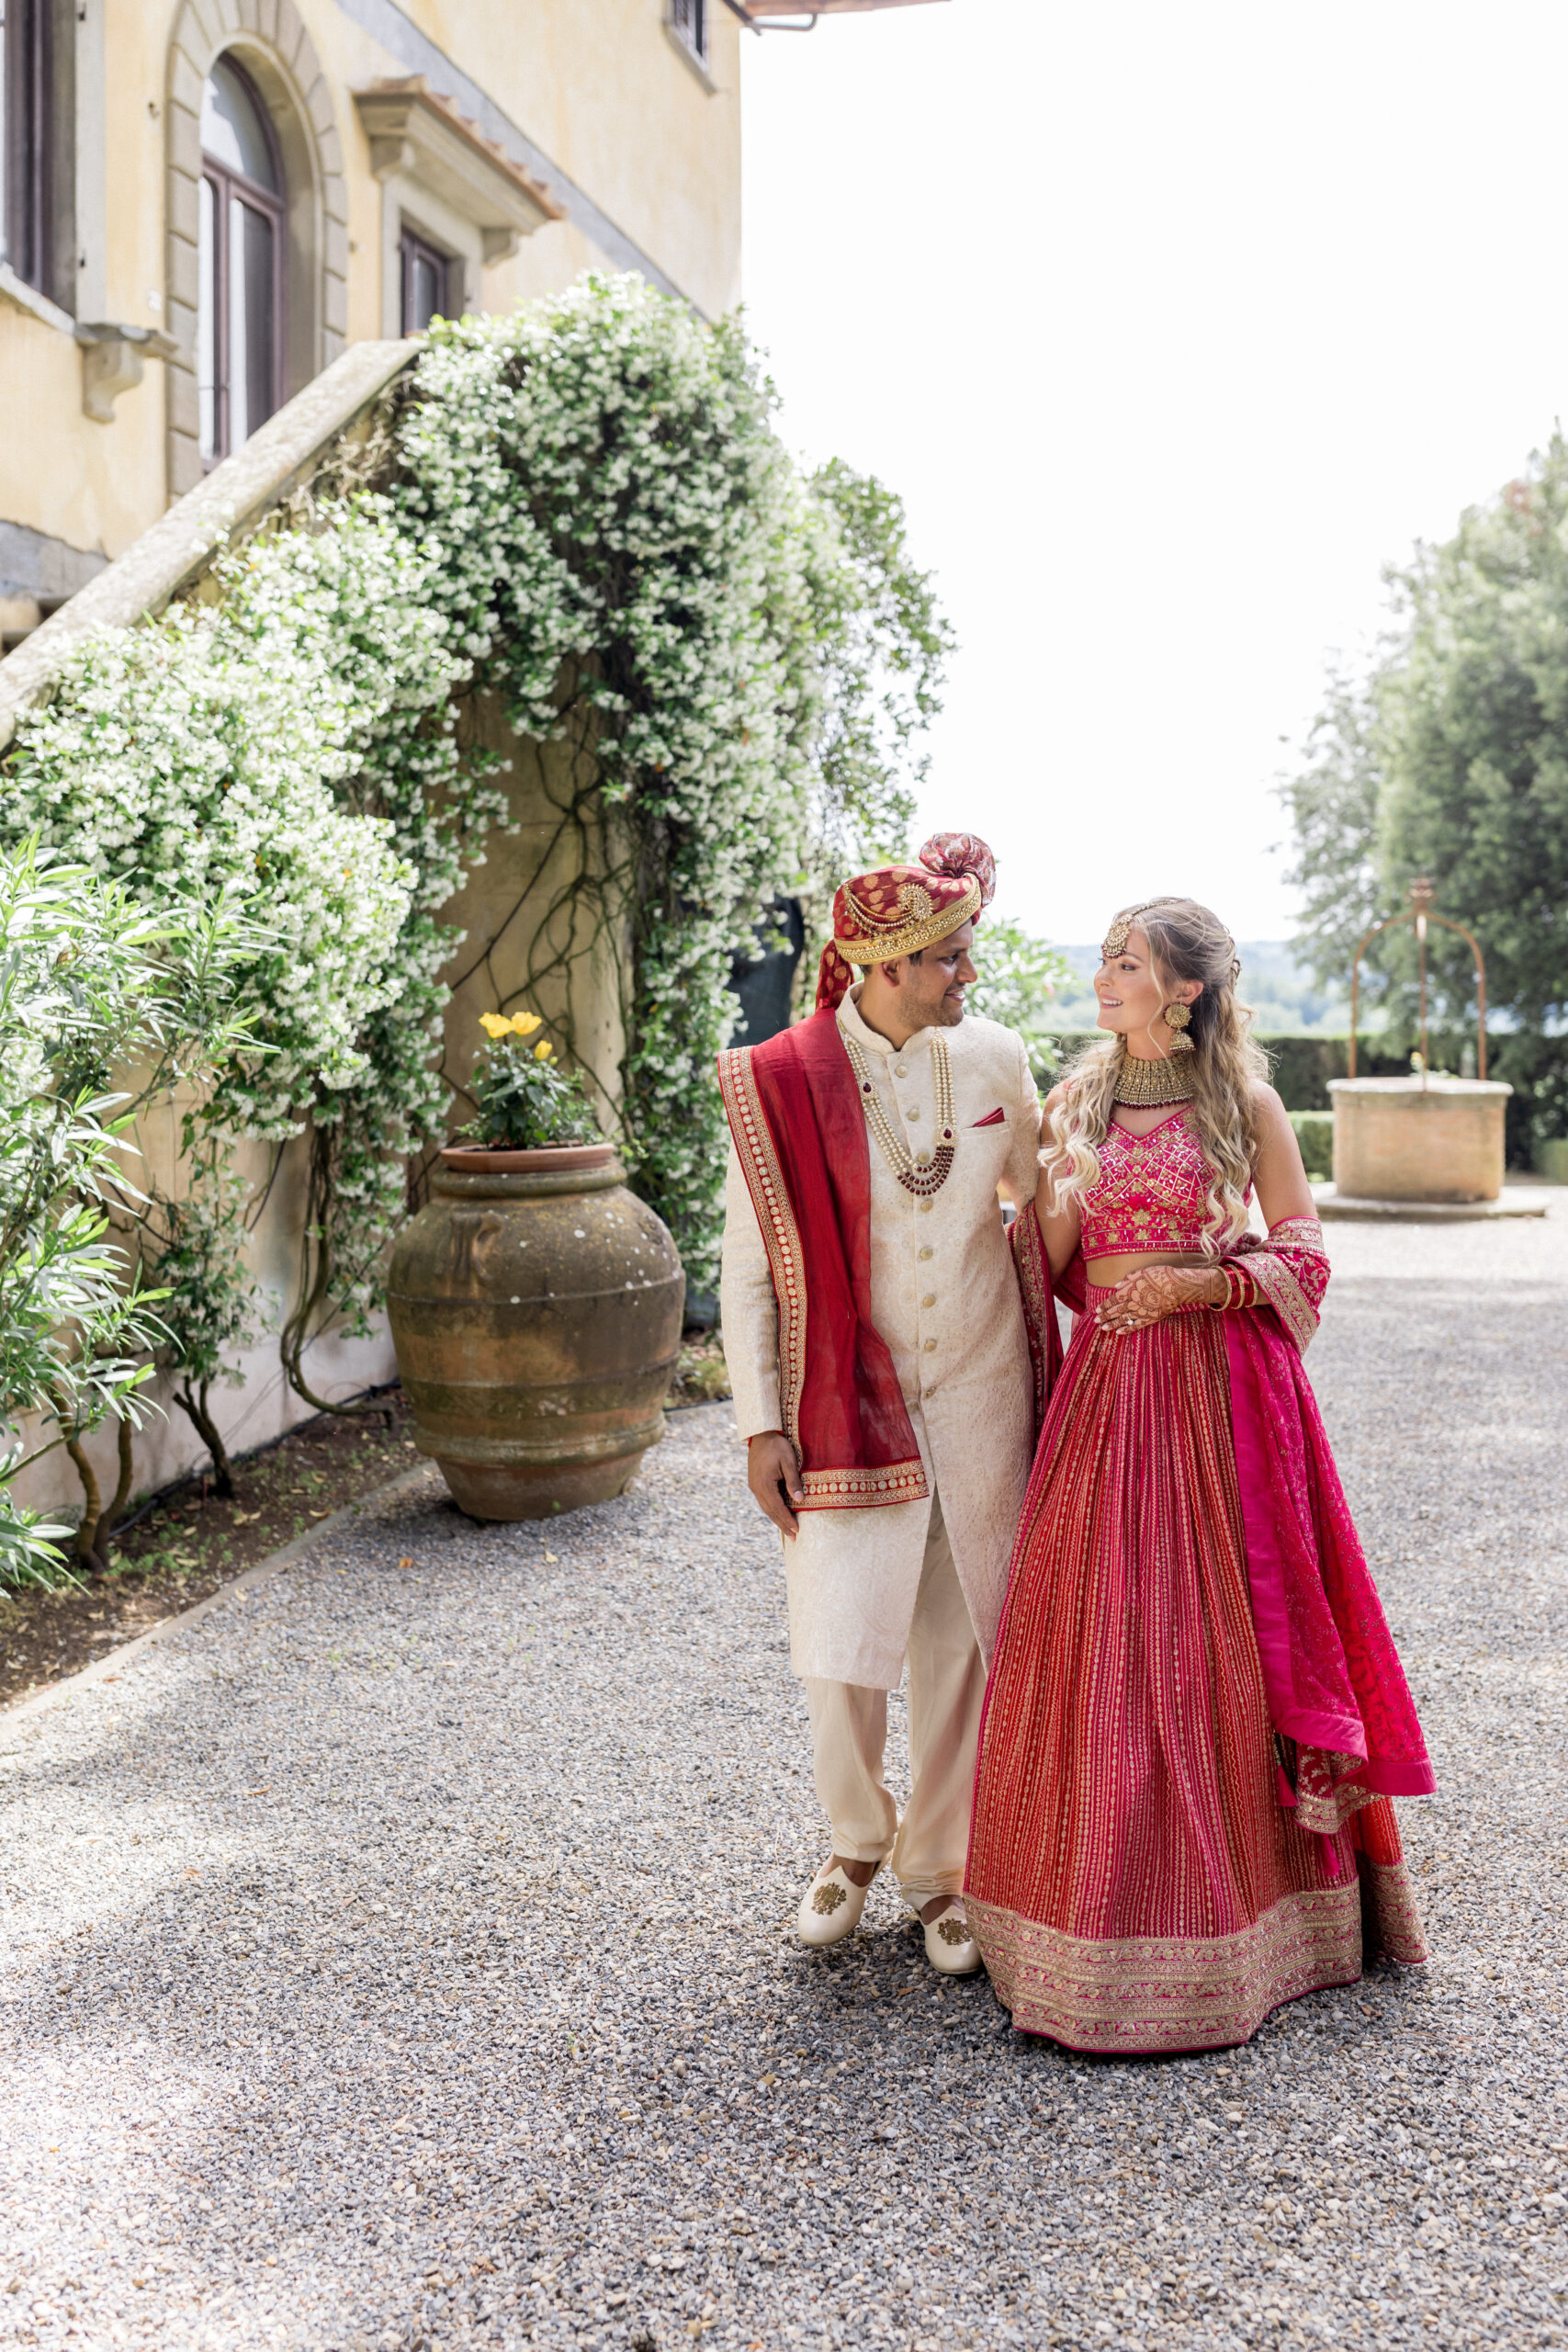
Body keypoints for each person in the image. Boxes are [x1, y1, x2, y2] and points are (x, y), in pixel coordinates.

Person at [964, 898, 1435, 2053]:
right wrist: (1002, 1216)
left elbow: (1307, 1245)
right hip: (1107, 1403)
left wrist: (1206, 1285)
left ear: (1185, 988)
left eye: (1127, 964)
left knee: (1210, 1645)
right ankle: (1083, 1927)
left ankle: (1249, 1929)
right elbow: (1057, 1268)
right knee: (1102, 1641)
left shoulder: (1246, 1106)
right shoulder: (1072, 1106)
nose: (1103, 980)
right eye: (1105, 961)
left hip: (1222, 1404)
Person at [718, 835, 1048, 1973]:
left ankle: (941, 1869)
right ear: (886, 966)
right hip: (836, 1401)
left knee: (957, 1640)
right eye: (951, 960)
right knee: (840, 1642)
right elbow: (752, 1270)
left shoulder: (998, 1058)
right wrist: (760, 1421)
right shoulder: (780, 1082)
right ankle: (856, 1840)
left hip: (978, 1393)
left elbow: (1036, 1208)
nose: (970, 976)